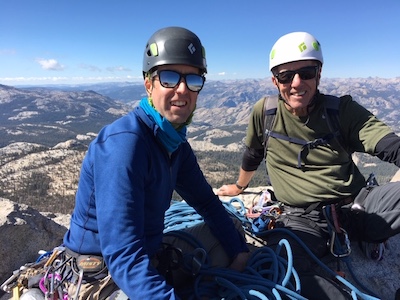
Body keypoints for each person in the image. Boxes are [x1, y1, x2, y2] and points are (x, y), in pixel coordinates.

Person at [63, 26, 249, 299]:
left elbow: (207, 203)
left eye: (193, 79)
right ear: (149, 84)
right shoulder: (124, 145)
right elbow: (123, 255)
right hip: (101, 272)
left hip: (145, 254)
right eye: (169, 77)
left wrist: (240, 253)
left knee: (231, 229)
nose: (182, 90)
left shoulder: (174, 144)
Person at [217, 31, 400, 299]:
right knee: (282, 271)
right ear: (274, 80)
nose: (296, 83)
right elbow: (253, 153)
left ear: (319, 74)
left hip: (360, 205)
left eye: (307, 72)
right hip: (302, 219)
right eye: (285, 75)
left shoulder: (342, 111)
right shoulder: (265, 113)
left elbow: (388, 144)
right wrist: (239, 185)